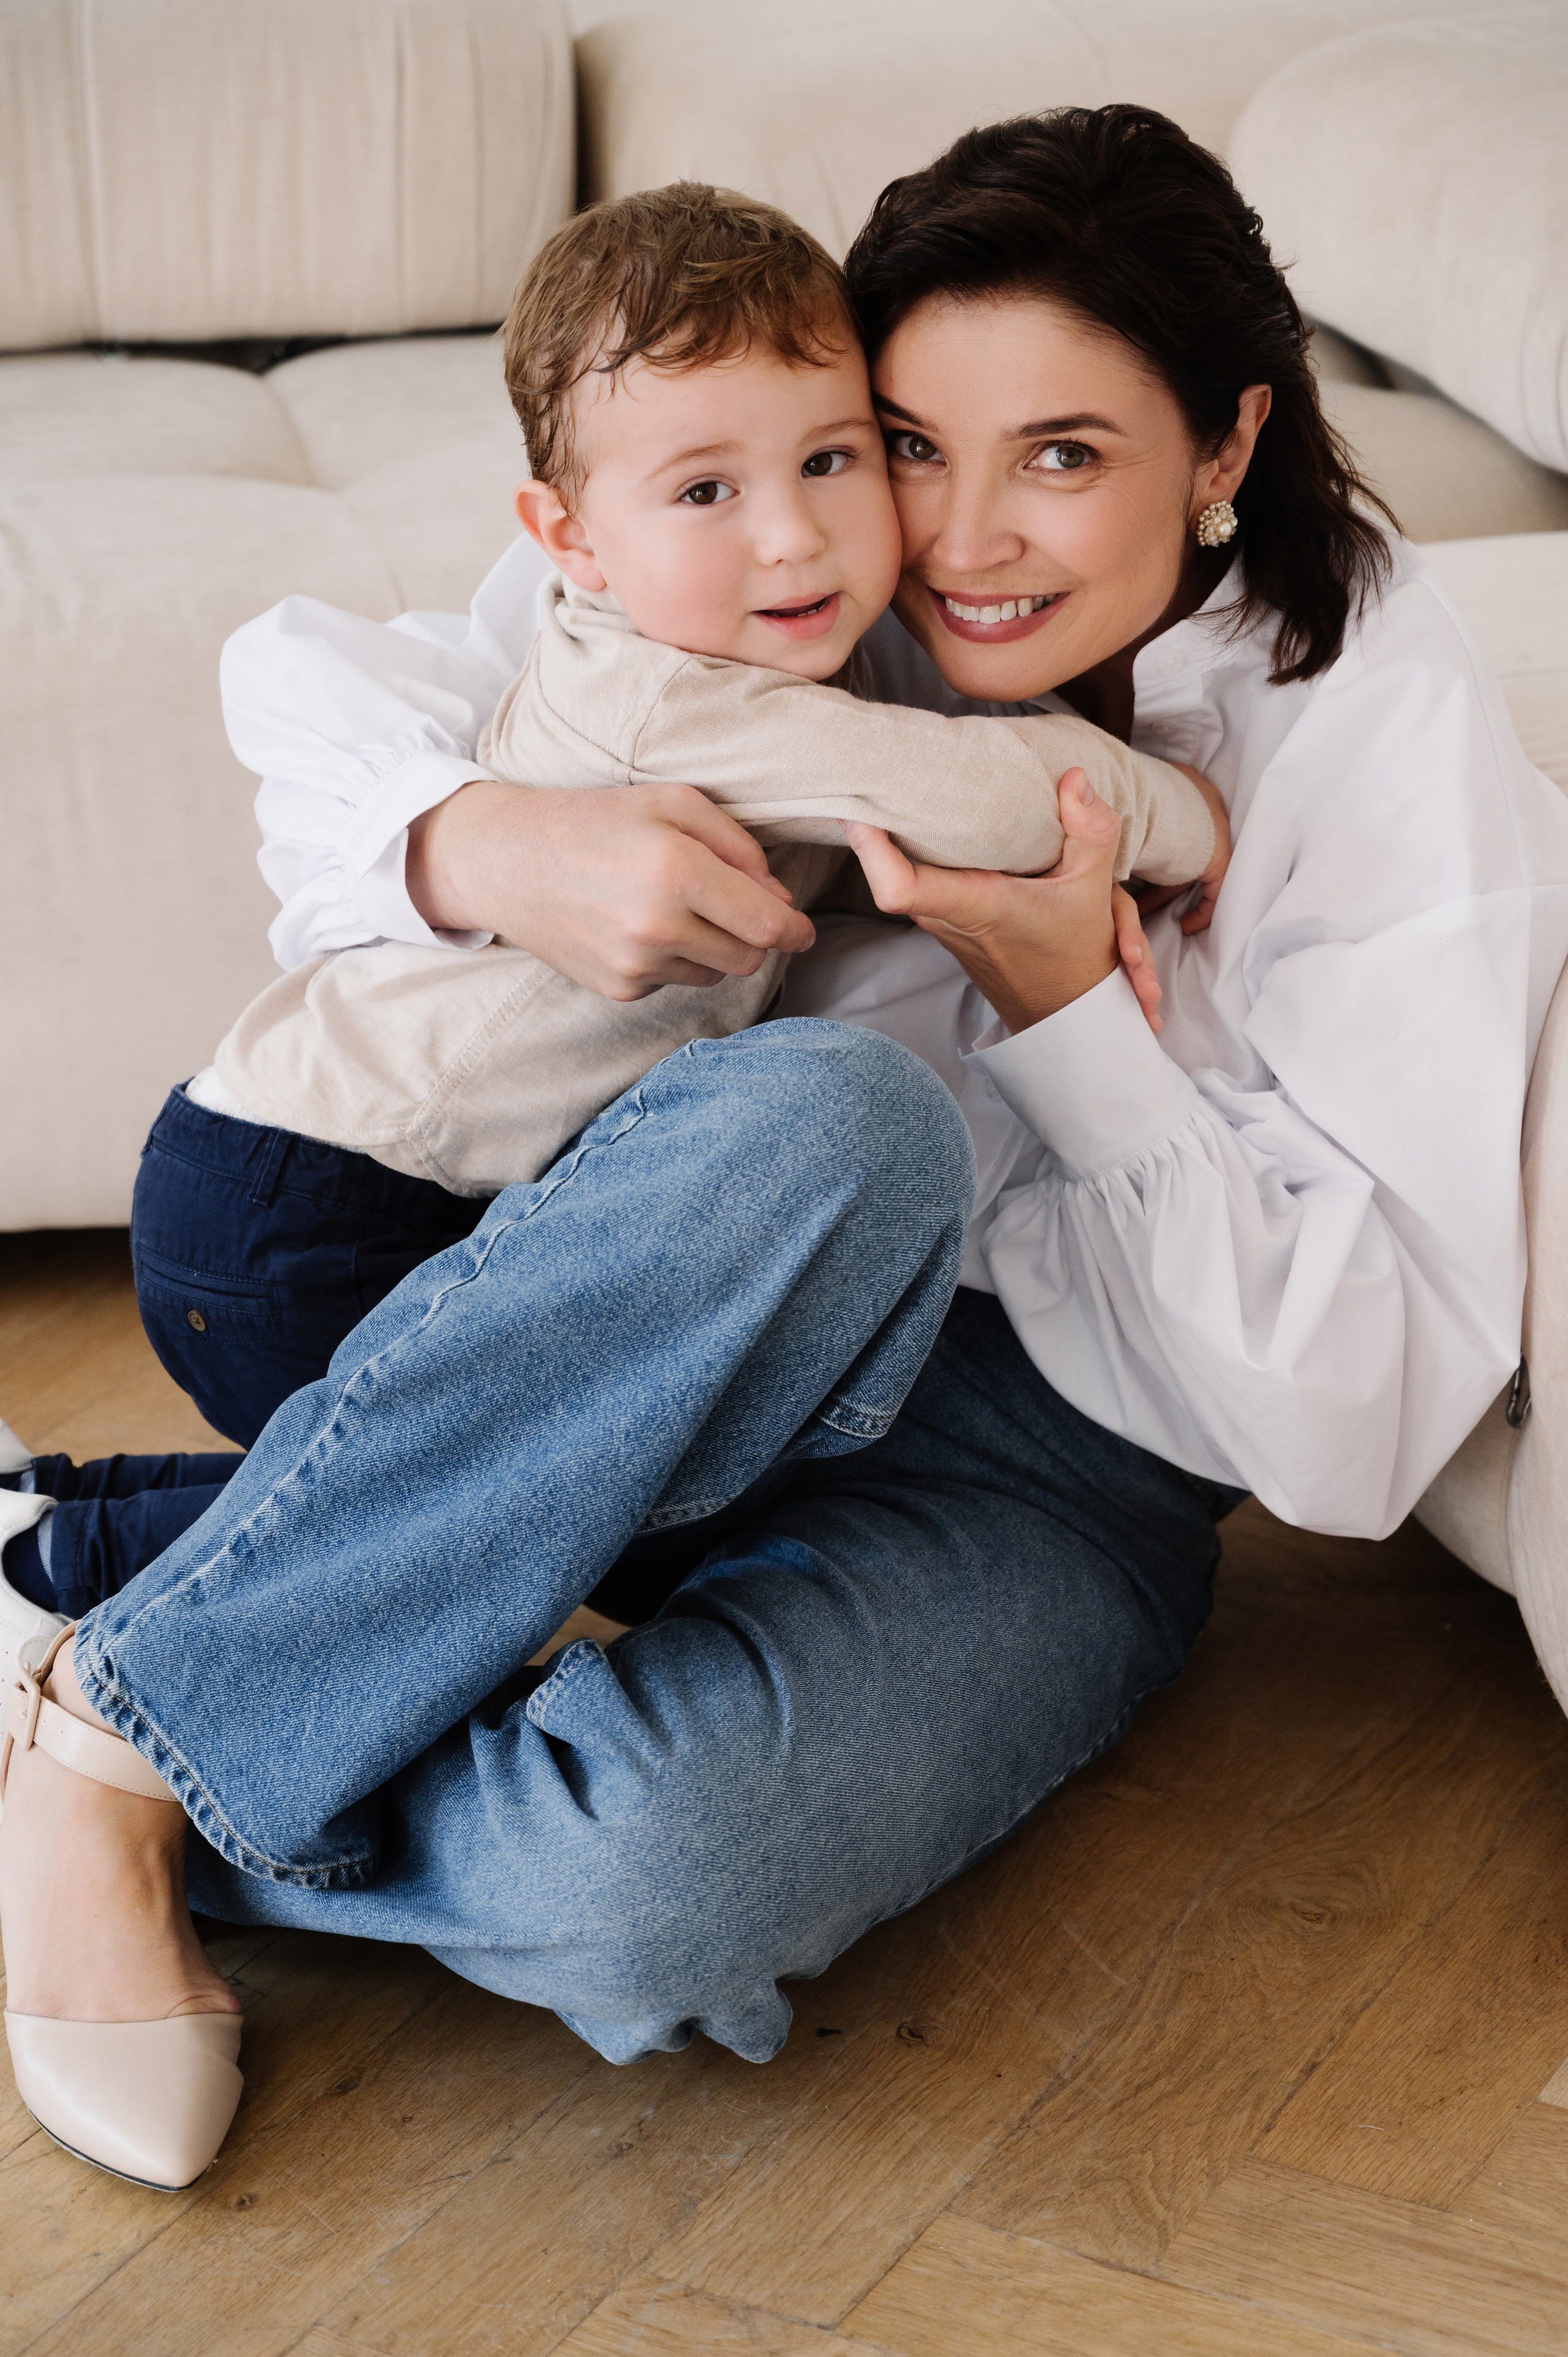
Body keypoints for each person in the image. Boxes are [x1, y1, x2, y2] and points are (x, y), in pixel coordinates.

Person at [5, 104, 1565, 2195]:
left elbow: (1354, 1432)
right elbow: (332, 686)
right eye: (914, 444)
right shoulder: (802, 543)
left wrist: (1070, 1016)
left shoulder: (1383, 732)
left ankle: (114, 1620)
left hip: (1058, 1476)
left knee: (647, 1889)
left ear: (1227, 445)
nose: (967, 538)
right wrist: (481, 842)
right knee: (842, 1120)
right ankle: (128, 1759)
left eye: (1065, 455)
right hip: (656, 1332)